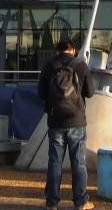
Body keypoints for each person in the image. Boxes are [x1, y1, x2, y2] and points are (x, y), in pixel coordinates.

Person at [38, 39, 94, 210]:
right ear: (74, 50)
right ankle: (81, 202)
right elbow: (90, 93)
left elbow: (41, 93)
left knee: (55, 162)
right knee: (79, 162)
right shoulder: (81, 65)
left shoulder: (49, 66)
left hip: (55, 121)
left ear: (58, 51)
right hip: (76, 120)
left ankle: (52, 203)